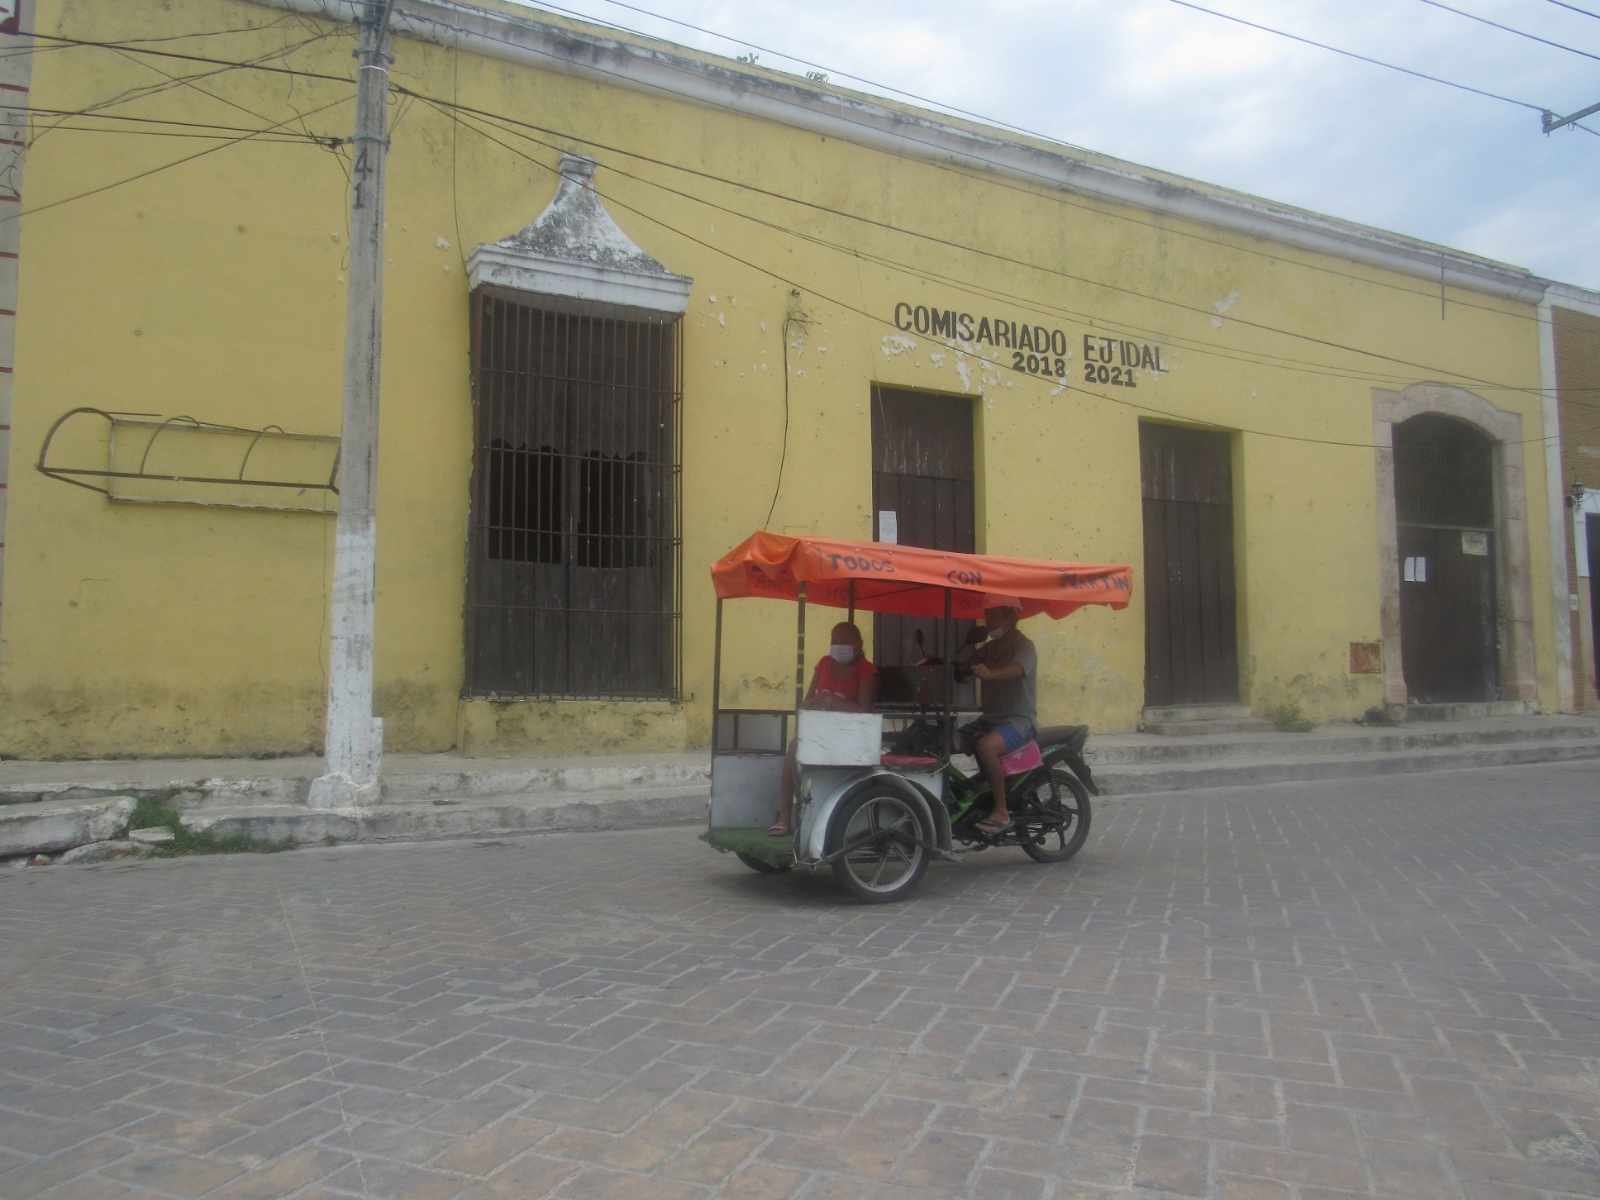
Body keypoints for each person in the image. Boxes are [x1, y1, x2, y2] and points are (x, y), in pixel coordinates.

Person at [768, 621, 878, 836]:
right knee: (793, 747)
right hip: (819, 732)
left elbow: (865, 710)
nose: (838, 646)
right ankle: (784, 816)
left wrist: (832, 700)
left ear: (858, 644)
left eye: (844, 642)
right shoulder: (824, 664)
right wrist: (818, 700)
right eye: (834, 642)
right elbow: (806, 701)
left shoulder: (867, 670)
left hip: (851, 737)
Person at [956, 595, 1037, 836]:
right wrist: (948, 665)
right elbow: (965, 665)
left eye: (994, 615)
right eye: (986, 615)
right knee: (944, 740)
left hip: (1018, 720)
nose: (988, 621)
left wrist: (991, 673)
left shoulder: (1024, 646)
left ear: (1012, 616)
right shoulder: (989, 649)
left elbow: (1018, 669)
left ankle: (1001, 811)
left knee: (987, 747)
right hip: (989, 720)